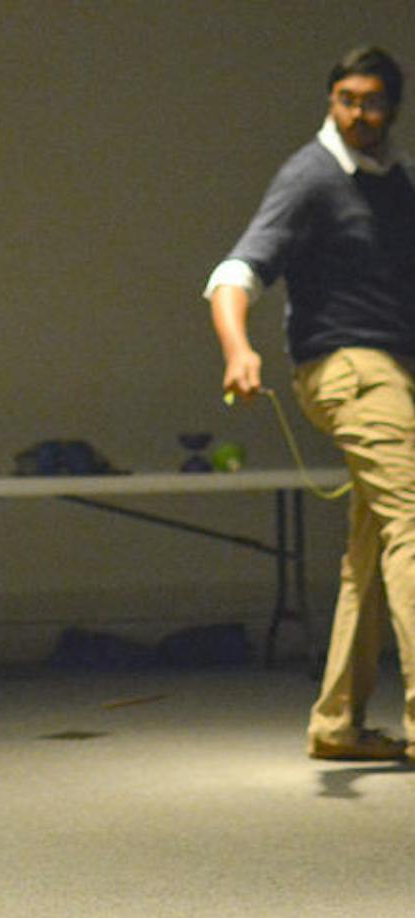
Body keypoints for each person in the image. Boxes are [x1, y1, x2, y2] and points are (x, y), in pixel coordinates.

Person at [206, 45, 415, 762]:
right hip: (350, 369)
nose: (358, 113)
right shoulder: (310, 177)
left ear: (393, 107)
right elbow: (237, 270)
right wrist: (237, 348)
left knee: (373, 544)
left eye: (372, 101)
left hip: (394, 369)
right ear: (331, 101)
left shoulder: (394, 184)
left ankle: (338, 722)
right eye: (346, 99)